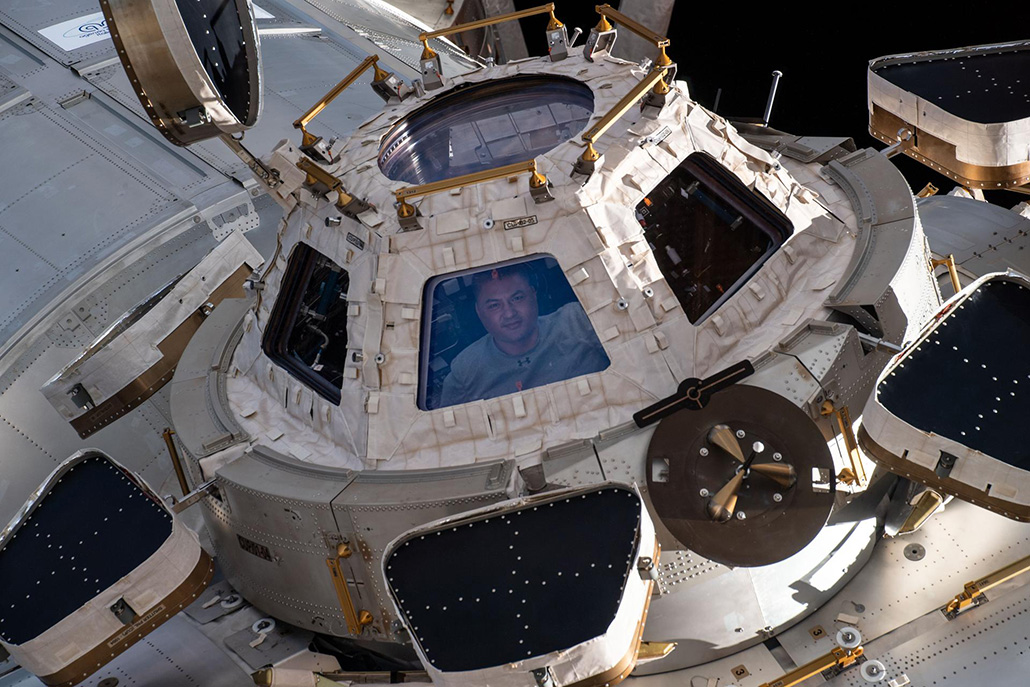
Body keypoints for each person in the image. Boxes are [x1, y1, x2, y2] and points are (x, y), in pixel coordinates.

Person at [439, 264, 610, 407]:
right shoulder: (465, 372)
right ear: (479, 311)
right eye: (494, 306)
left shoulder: (576, 322)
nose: (509, 313)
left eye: (517, 298)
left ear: (533, 295)